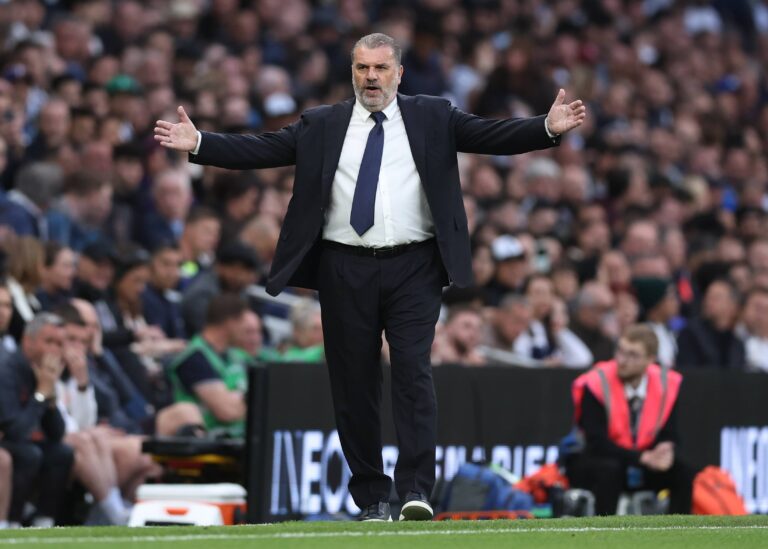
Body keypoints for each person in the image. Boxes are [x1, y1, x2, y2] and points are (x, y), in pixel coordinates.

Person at [155, 32, 585, 521]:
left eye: (381, 68)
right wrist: (200, 143)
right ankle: (373, 498)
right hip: (344, 266)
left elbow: (491, 136)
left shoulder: (432, 115)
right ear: (353, 73)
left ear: (399, 73)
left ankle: (417, 490)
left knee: (412, 371)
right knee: (353, 384)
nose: (372, 77)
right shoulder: (322, 123)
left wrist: (546, 129)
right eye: (363, 68)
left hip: (415, 265)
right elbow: (263, 149)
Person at [566, 324, 694, 515]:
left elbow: (670, 431)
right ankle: (605, 534)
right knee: (609, 470)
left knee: (683, 471)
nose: (622, 361)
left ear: (650, 360)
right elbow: (596, 442)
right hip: (598, 458)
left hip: (643, 460)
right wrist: (642, 457)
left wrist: (665, 449)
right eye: (620, 351)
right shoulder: (596, 382)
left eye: (633, 355)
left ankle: (677, 536)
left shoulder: (666, 384)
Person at [0, 313, 74, 527]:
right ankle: (14, 520)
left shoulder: (43, 372)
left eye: (60, 344)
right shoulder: (7, 370)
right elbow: (15, 431)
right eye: (49, 341)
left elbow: (58, 433)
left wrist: (49, 400)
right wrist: (41, 394)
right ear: (27, 341)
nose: (54, 350)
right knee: (29, 454)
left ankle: (45, 519)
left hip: (21, 440)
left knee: (62, 452)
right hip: (8, 440)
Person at [167, 293, 253, 438]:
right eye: (244, 325)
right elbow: (227, 411)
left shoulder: (235, 355)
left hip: (241, 439)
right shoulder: (193, 358)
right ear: (230, 323)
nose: (246, 333)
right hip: (209, 444)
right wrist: (248, 400)